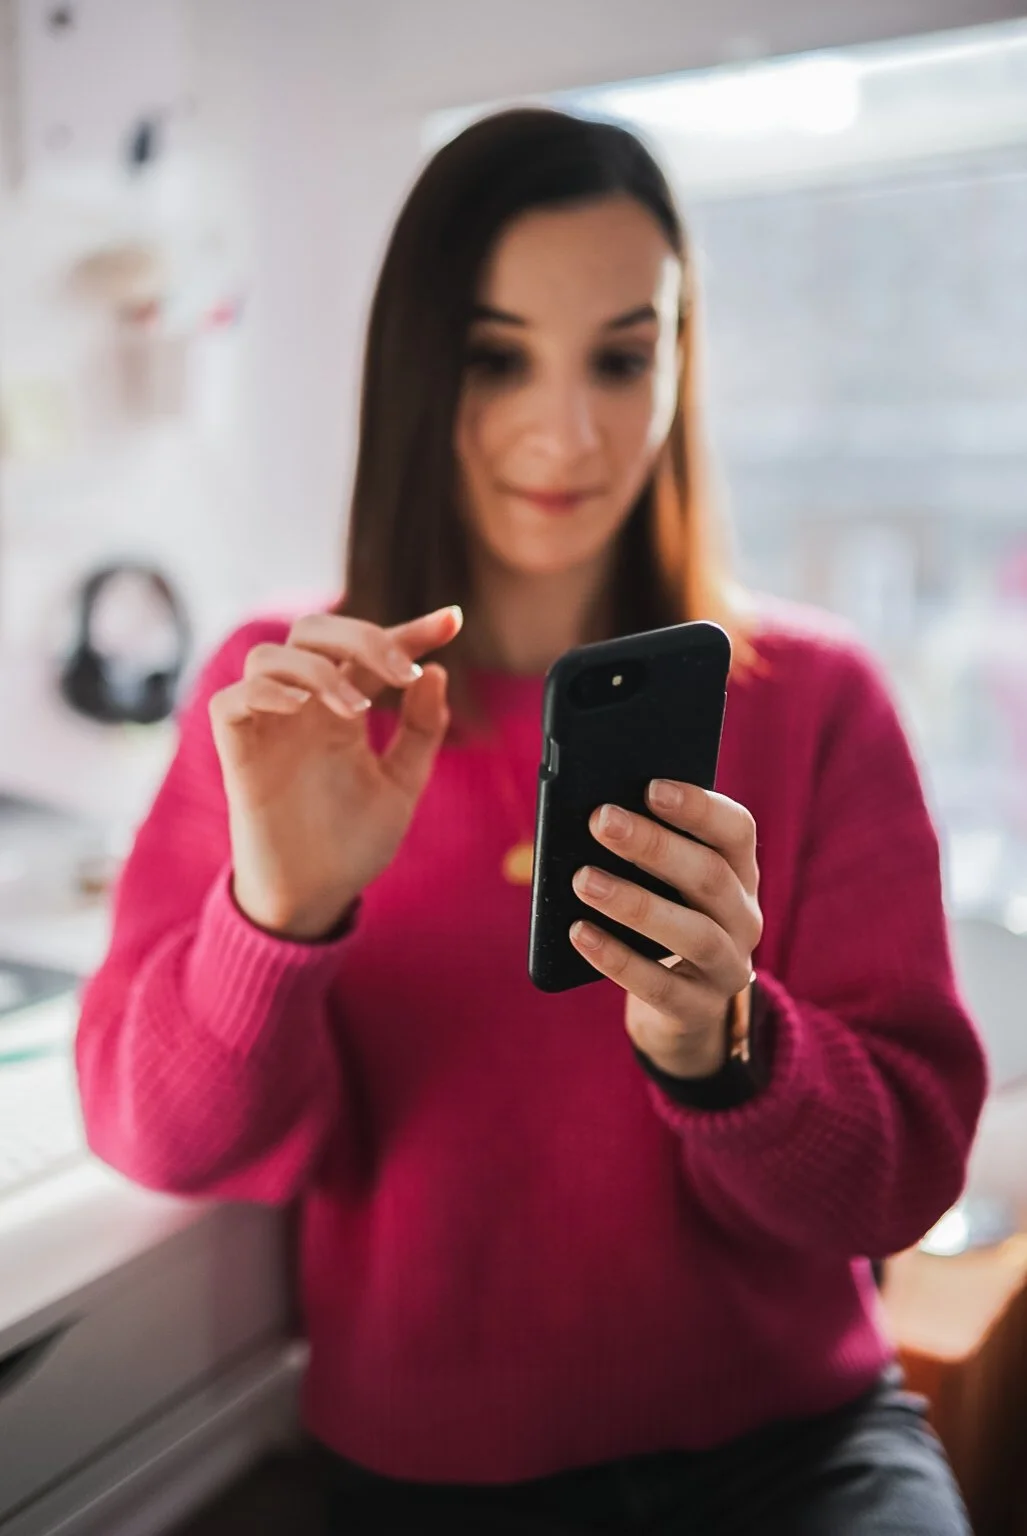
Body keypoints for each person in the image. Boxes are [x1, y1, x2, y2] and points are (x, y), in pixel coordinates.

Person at [75, 108, 986, 1535]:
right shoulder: (289, 700)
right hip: (438, 1477)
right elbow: (157, 1138)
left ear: (678, 362)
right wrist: (276, 918)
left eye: (621, 357)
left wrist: (725, 1051)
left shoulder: (818, 700)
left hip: (800, 1454)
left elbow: (907, 1171)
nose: (566, 432)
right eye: (500, 357)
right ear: (418, 367)